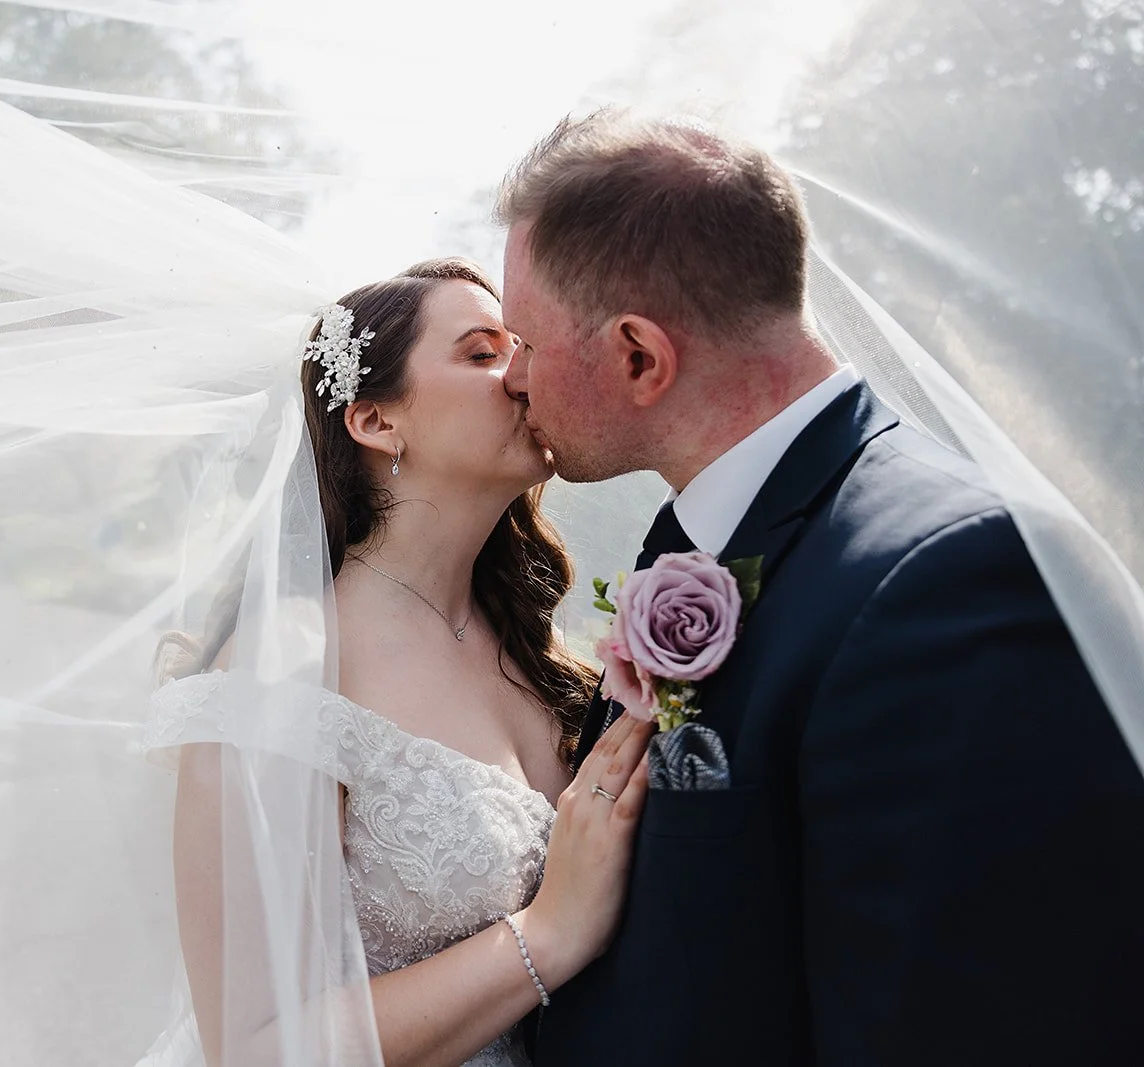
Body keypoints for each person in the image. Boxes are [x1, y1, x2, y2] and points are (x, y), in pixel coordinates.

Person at [495, 108, 1144, 1066]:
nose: (512, 375)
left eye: (525, 341)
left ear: (639, 355)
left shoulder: (950, 579)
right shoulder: (694, 537)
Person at [149, 259, 651, 1067]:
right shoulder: (282, 670)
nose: (523, 375)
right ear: (377, 421)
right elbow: (257, 1049)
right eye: (483, 353)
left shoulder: (540, 655)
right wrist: (547, 935)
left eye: (522, 348)